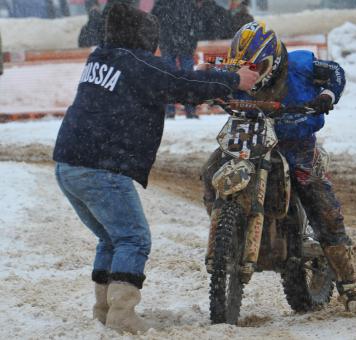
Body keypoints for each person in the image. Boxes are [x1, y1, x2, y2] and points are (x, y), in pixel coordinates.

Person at [53, 3, 259, 335]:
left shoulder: (100, 57)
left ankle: (104, 310)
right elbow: (183, 82)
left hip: (68, 164)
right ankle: (122, 314)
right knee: (134, 239)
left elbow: (171, 76)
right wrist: (235, 79)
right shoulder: (138, 64)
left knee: (111, 238)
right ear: (144, 38)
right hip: (100, 167)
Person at [201, 21, 356, 313]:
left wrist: (327, 96)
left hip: (296, 142)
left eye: (257, 66)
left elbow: (335, 72)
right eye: (245, 67)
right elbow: (207, 74)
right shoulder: (233, 70)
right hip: (248, 138)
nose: (250, 73)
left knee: (320, 201)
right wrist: (205, 84)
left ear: (274, 59)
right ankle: (226, 230)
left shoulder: (301, 65)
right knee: (210, 168)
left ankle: (349, 285)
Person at [152, 0, 200, 119]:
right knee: (189, 78)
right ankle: (190, 109)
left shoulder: (161, 3)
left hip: (168, 43)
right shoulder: (188, 3)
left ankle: (170, 110)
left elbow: (153, 21)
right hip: (185, 43)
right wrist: (192, 41)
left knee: (169, 77)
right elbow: (196, 23)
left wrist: (160, 39)